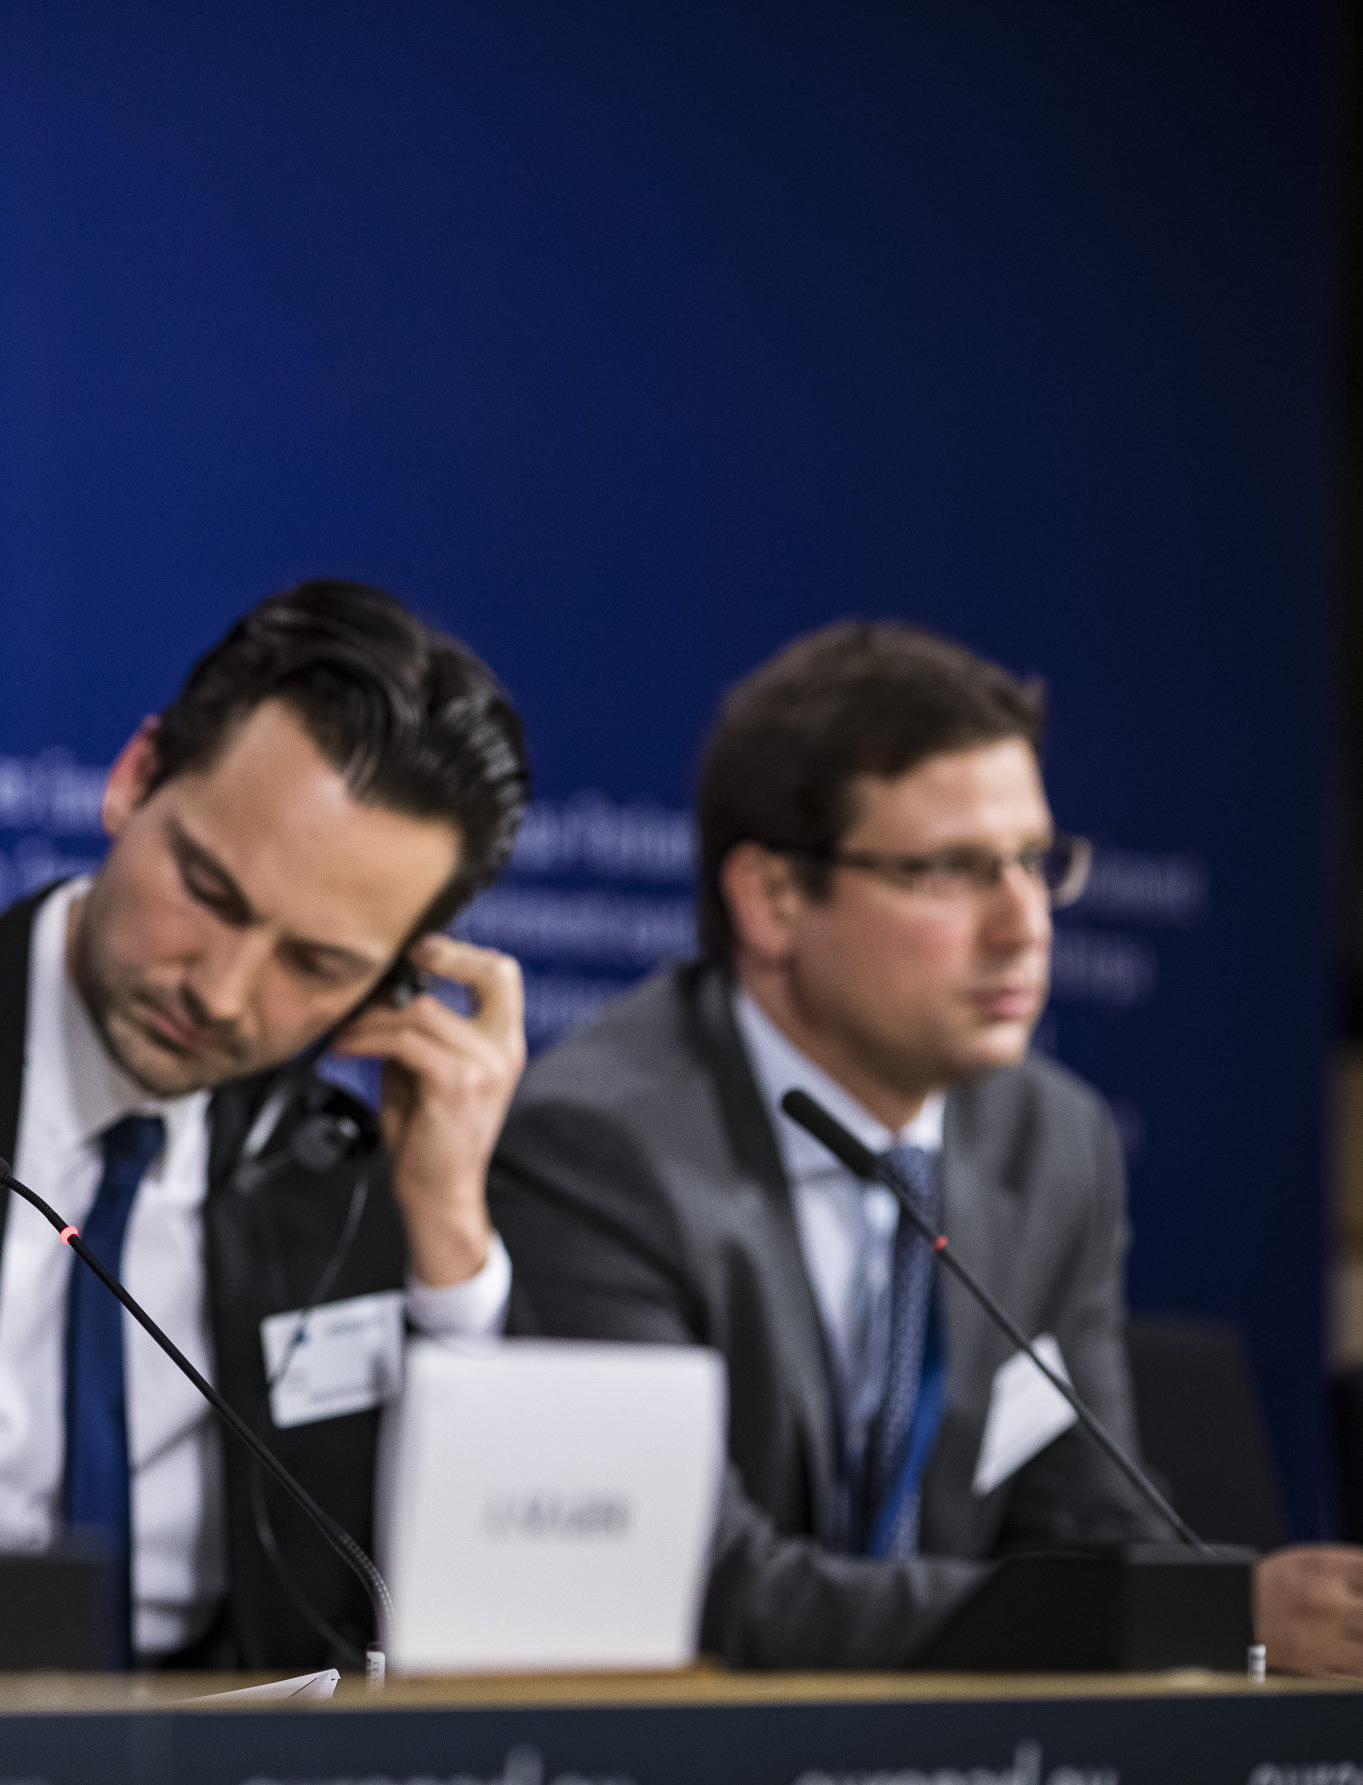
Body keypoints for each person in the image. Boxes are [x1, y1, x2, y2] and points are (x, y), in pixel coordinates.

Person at [0, 582, 532, 1669]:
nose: (221, 990)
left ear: (396, 979)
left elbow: (460, 1621)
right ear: (135, 777)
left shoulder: (346, 1182)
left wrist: (449, 1234)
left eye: (318, 964)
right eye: (209, 891)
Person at [489, 620, 1363, 1674]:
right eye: (950, 870)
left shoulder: (1052, 1141)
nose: (1023, 925)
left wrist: (1222, 1610)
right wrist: (1215, 1611)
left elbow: (1090, 1527)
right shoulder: (599, 1145)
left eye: (1034, 862)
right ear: (771, 898)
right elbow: (700, 1588)